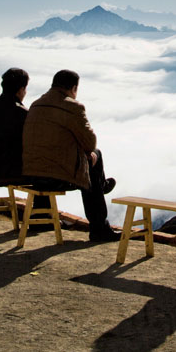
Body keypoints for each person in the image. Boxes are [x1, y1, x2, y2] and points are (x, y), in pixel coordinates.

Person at [21, 69, 119, 242]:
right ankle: (99, 227)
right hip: (56, 177)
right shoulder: (73, 107)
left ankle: (41, 221)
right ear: (74, 88)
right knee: (95, 157)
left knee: (50, 157)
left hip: (31, 174)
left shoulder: (36, 104)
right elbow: (90, 142)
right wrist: (87, 152)